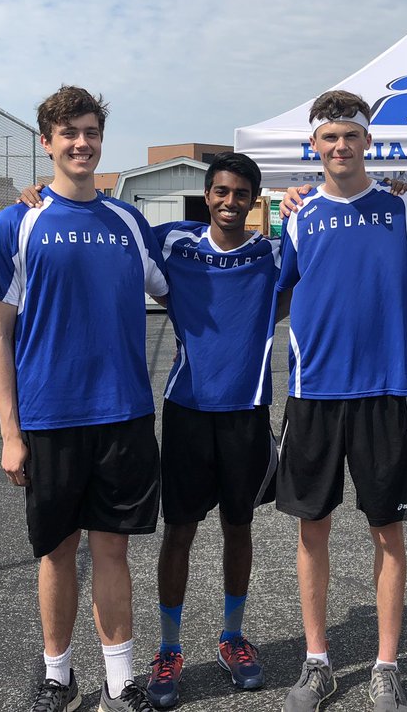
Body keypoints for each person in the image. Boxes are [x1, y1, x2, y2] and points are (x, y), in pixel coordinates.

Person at [0, 85, 167, 712]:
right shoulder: (19, 221)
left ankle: (121, 680)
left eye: (90, 132)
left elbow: (187, 272)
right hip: (50, 416)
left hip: (123, 413)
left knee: (112, 548)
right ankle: (57, 676)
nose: (82, 143)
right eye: (69, 134)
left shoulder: (128, 221)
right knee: (58, 552)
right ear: (47, 142)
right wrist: (10, 432)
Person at [275, 89, 407, 712]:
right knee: (311, 528)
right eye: (329, 137)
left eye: (350, 135)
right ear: (314, 146)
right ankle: (317, 661)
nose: (340, 146)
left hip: (381, 392)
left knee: (387, 529)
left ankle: (386, 665)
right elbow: (277, 289)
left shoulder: (403, 207)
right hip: (313, 392)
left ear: (366, 141)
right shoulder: (295, 212)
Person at [143, 152, 283, 708]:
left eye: (240, 193)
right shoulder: (174, 240)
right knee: (179, 530)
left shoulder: (272, 250)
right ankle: (170, 647)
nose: (229, 202)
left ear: (254, 200)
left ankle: (232, 638)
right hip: (186, 410)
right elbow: (107, 221)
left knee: (238, 525)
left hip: (246, 411)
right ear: (208, 195)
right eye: (220, 192)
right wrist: (39, 195)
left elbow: (329, 243)